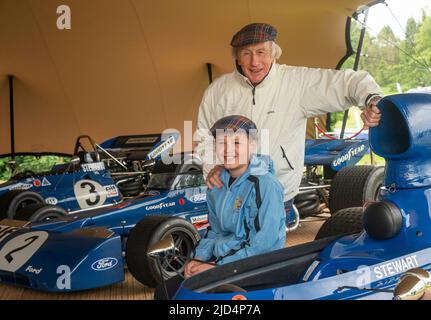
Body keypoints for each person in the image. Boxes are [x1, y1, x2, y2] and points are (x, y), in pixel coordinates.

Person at [195, 22, 383, 209]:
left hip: (278, 193)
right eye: (246, 53)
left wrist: (372, 99)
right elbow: (204, 137)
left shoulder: (296, 83)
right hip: (230, 194)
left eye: (261, 52)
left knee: (267, 239)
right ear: (237, 57)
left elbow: (349, 82)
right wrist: (212, 167)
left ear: (274, 54)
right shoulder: (217, 91)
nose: (254, 62)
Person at [154, 115, 286, 299]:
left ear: (253, 145)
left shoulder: (265, 184)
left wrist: (216, 267)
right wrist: (198, 259)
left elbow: (264, 244)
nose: (228, 149)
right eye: (222, 142)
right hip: (225, 261)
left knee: (197, 296)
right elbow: (215, 231)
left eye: (237, 143)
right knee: (166, 291)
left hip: (258, 265)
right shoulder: (217, 184)